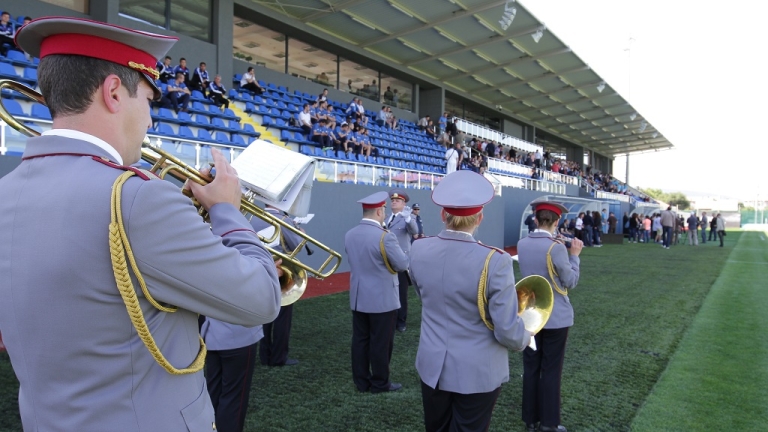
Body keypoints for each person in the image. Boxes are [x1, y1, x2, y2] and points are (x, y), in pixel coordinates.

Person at [0, 17, 282, 431]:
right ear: (114, 92)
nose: (150, 119)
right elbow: (260, 300)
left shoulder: (6, 192)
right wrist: (227, 211)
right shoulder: (139, 197)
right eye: (149, 100)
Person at [410, 171, 532, 432]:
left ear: (443, 215)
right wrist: (526, 336)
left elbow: (424, 297)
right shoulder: (496, 259)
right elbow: (507, 330)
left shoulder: (418, 248)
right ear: (480, 218)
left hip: (432, 366)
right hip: (476, 372)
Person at [518, 199, 583, 432]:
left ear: (535, 219)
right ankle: (549, 423)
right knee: (551, 370)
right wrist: (575, 255)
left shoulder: (522, 243)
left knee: (531, 367)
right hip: (555, 317)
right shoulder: (556, 247)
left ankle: (530, 419)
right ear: (557, 221)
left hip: (530, 317)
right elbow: (570, 281)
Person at [345, 191, 409, 393]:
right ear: (380, 212)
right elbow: (402, 264)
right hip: (382, 298)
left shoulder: (350, 234)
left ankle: (361, 382)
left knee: (360, 341)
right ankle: (380, 383)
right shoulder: (385, 237)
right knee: (381, 343)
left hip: (358, 297)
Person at [250, 205, 304, 367]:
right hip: (282, 271)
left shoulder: (253, 218)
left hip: (261, 271)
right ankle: (279, 357)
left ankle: (264, 355)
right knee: (282, 318)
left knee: (265, 315)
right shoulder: (284, 220)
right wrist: (301, 234)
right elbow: (297, 245)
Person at [385, 189, 419, 332]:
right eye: (392, 200)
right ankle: (389, 319)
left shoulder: (408, 217)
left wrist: (408, 219)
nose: (394, 202)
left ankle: (401, 321)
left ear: (404, 203)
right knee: (387, 291)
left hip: (400, 260)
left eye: (397, 200)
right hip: (386, 260)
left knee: (401, 293)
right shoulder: (386, 218)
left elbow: (414, 231)